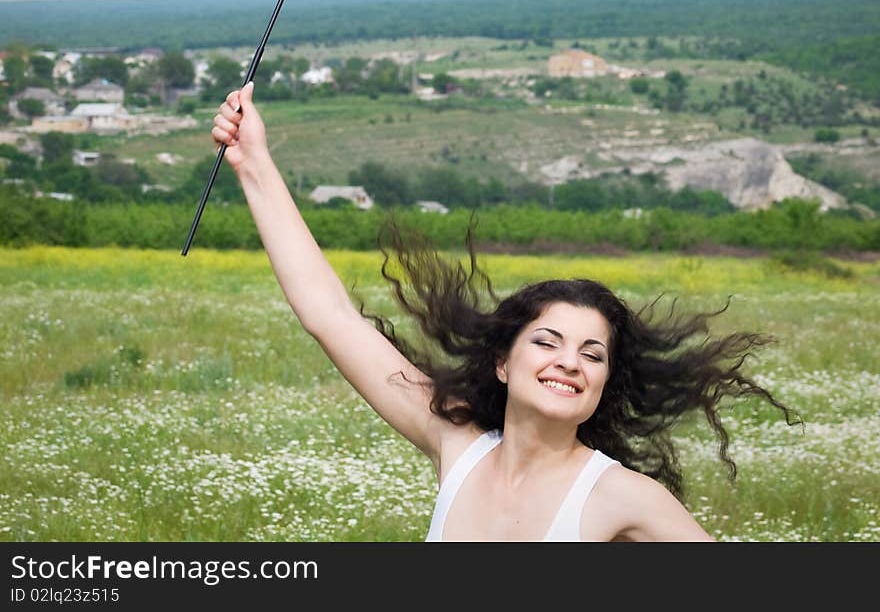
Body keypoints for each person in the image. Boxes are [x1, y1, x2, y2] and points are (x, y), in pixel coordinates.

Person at [211, 81, 801, 542]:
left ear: (603, 383)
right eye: (547, 342)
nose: (570, 362)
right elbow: (330, 314)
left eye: (592, 353)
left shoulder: (623, 497)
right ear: (502, 362)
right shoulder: (456, 441)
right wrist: (254, 162)